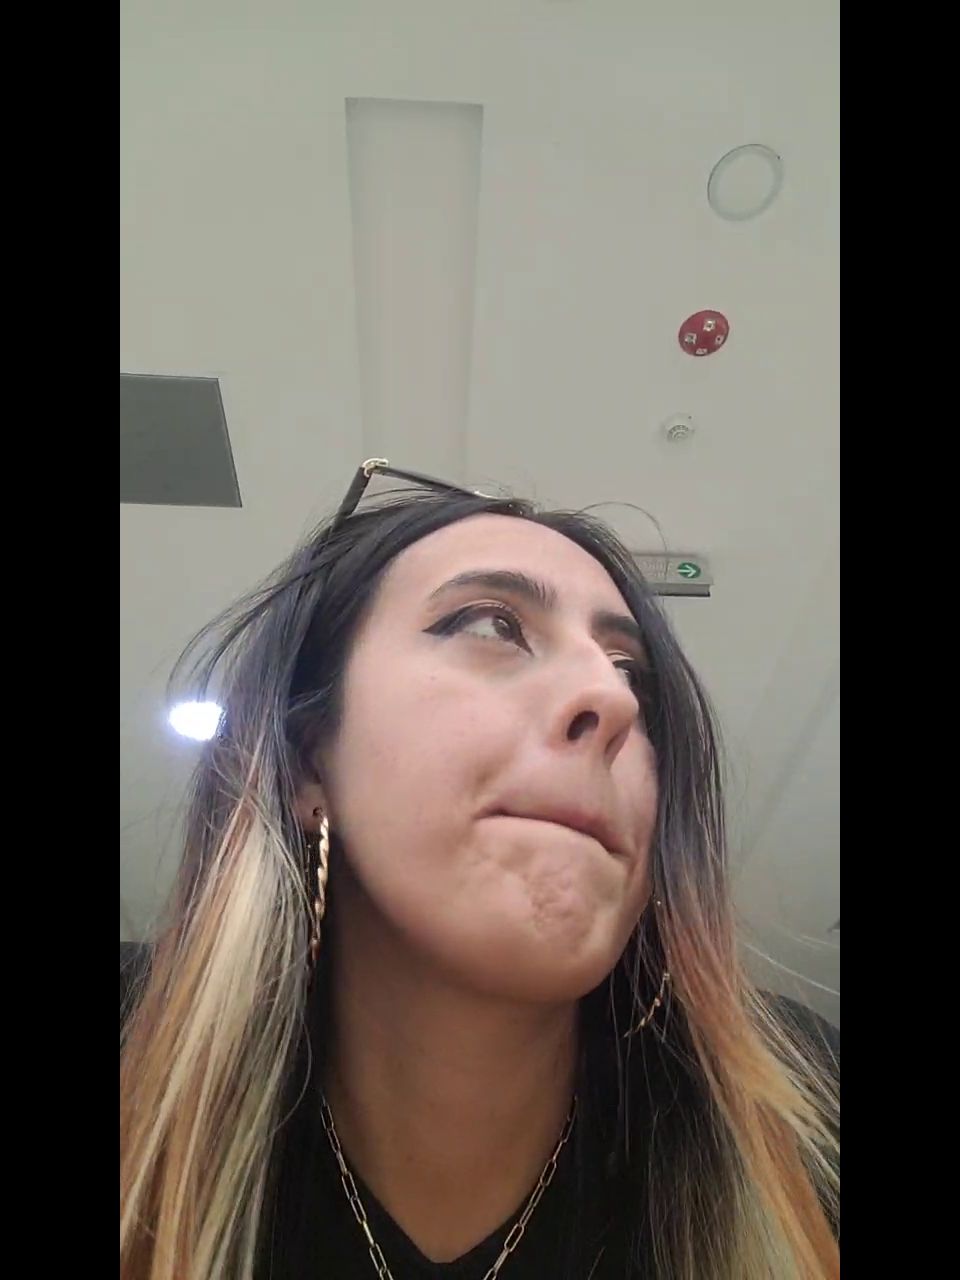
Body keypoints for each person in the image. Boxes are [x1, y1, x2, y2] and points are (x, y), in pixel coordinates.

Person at [120, 461, 839, 1280]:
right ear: (308, 763)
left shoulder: (805, 1120)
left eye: (629, 670)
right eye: (491, 624)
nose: (613, 700)